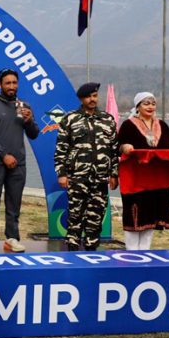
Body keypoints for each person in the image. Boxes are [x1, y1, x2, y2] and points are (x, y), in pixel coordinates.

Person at [0, 67, 39, 253]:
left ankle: (12, 238)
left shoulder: (24, 106)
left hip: (18, 163)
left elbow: (34, 134)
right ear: (0, 85)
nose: (12, 86)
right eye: (8, 83)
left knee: (14, 203)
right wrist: (3, 155)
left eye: (14, 83)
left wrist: (29, 121)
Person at [54, 82, 119, 251]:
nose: (92, 99)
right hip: (77, 178)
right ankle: (73, 252)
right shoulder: (70, 119)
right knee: (75, 216)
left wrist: (114, 174)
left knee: (95, 218)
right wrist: (62, 173)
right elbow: (61, 149)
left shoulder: (107, 120)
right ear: (82, 98)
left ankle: (92, 251)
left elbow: (113, 150)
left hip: (100, 178)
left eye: (95, 96)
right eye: (88, 96)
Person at [117, 92, 169, 250]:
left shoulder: (163, 125)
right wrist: (124, 147)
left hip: (157, 180)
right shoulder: (128, 125)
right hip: (135, 179)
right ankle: (131, 254)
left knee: (150, 218)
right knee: (134, 218)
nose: (150, 107)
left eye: (153, 103)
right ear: (137, 107)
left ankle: (145, 254)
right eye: (146, 103)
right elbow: (116, 146)